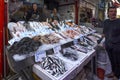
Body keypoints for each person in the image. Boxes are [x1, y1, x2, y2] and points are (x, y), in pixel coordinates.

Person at [102, 6, 120, 79]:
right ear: (108, 13)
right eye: (111, 11)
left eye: (114, 11)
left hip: (117, 46)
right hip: (108, 44)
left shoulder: (119, 21)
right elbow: (104, 33)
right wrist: (101, 42)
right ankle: (113, 72)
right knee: (111, 60)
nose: (113, 13)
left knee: (118, 61)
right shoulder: (106, 21)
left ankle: (117, 75)